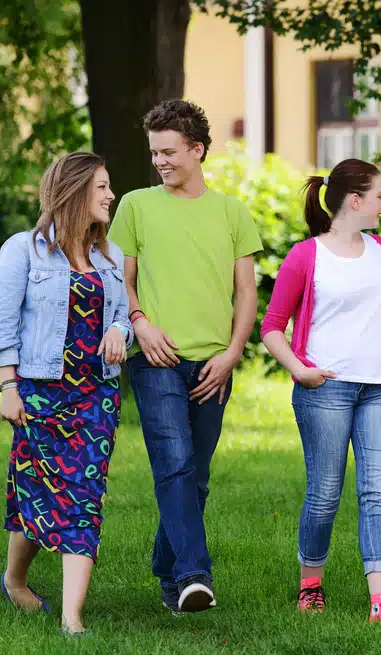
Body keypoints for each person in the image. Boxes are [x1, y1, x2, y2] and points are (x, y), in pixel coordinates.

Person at [108, 99, 263, 614]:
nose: (161, 161)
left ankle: (169, 576)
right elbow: (119, 281)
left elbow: (246, 293)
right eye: (155, 153)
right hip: (155, 359)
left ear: (197, 150)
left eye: (170, 151)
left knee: (195, 475)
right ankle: (196, 576)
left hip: (214, 363)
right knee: (173, 466)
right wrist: (139, 322)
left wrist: (233, 353)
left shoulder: (232, 213)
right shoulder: (134, 206)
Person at [261, 158, 381, 624]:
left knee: (378, 493)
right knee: (325, 493)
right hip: (325, 390)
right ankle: (310, 584)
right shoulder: (305, 255)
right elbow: (272, 327)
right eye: (379, 196)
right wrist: (300, 370)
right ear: (355, 201)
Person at [0, 151, 133, 635]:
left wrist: (119, 332)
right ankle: (15, 579)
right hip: (40, 392)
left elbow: (120, 315)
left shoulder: (109, 257)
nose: (111, 195)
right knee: (35, 494)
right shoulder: (23, 250)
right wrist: (8, 387)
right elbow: (4, 328)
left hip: (95, 396)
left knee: (84, 497)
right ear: (74, 192)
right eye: (102, 187)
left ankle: (72, 619)